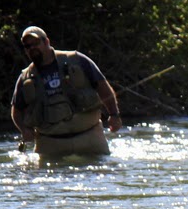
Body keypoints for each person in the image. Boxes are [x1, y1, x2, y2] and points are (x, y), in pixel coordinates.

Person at [10, 26, 122, 158]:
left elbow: (103, 87)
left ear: (46, 42)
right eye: (27, 46)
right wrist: (24, 130)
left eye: (35, 43)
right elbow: (16, 111)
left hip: (90, 137)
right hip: (50, 144)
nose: (32, 48)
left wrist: (114, 115)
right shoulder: (25, 78)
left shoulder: (76, 59)